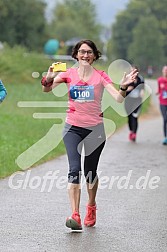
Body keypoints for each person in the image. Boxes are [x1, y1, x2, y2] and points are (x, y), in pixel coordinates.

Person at [41, 39, 138, 231]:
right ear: (76, 54)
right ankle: (75, 215)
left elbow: (118, 99)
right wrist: (50, 76)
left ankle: (91, 206)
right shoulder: (68, 74)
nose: (85, 55)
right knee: (74, 169)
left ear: (94, 56)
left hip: (95, 130)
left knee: (90, 172)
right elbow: (46, 88)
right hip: (72, 128)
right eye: (82, 51)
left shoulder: (100, 76)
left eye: (89, 52)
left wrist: (124, 86)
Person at [124, 66, 145, 142]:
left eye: (134, 70)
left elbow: (142, 88)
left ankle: (134, 133)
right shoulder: (127, 79)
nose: (133, 72)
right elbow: (122, 89)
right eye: (131, 70)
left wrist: (142, 93)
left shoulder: (140, 79)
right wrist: (128, 89)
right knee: (129, 117)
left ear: (137, 72)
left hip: (137, 101)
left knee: (135, 117)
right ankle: (131, 131)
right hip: (128, 100)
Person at [156, 65, 167, 145]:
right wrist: (157, 92)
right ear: (162, 71)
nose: (166, 71)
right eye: (165, 70)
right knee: (165, 119)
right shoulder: (159, 80)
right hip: (162, 102)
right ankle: (165, 137)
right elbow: (159, 90)